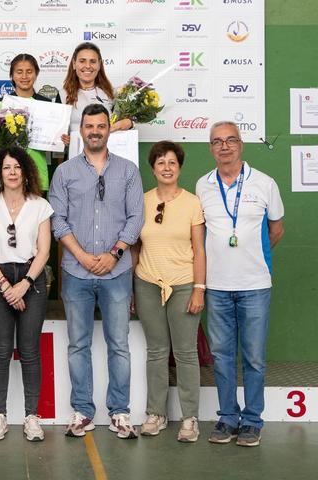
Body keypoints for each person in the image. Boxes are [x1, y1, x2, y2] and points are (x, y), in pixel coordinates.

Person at [49, 103, 144, 439]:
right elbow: (57, 219)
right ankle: (83, 412)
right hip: (77, 272)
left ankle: (120, 412)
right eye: (88, 126)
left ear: (108, 129)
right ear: (81, 131)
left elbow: (136, 217)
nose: (94, 131)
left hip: (117, 273)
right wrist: (83, 255)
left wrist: (115, 253)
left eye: (100, 125)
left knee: (119, 344)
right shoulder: (65, 173)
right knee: (78, 345)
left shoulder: (129, 170)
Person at [196, 121, 284, 447]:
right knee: (221, 356)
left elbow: (276, 229)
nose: (224, 146)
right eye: (217, 141)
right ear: (210, 148)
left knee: (255, 357)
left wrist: (249, 255)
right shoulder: (202, 185)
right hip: (216, 286)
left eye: (230, 140)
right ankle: (227, 418)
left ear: (241, 144)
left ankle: (252, 421)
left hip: (255, 284)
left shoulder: (264, 183)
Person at [0, 146, 53, 442]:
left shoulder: (40, 205)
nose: (12, 172)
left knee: (30, 350)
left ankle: (31, 417)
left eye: (17, 167)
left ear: (26, 172)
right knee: (1, 350)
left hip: (32, 279)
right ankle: (0, 416)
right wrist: (6, 287)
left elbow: (44, 250)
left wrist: (25, 283)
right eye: (7, 167)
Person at [131, 141, 206, 442]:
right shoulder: (142, 201)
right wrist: (132, 290)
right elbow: (136, 245)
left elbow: (199, 249)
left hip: (184, 283)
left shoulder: (192, 203)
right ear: (153, 168)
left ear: (179, 168)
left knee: (186, 353)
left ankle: (190, 419)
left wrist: (199, 288)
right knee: (157, 351)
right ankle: (156, 414)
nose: (166, 167)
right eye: (160, 162)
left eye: (172, 162)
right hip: (147, 283)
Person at [6, 53, 61, 193]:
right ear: (12, 75)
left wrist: (60, 140)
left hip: (37, 174)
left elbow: (53, 144)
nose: (24, 76)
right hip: (8, 175)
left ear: (36, 74)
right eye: (19, 72)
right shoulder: (1, 104)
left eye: (29, 71)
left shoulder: (48, 105)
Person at [60, 42, 132, 147]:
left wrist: (130, 123)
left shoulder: (111, 93)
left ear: (99, 65)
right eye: (82, 61)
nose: (88, 66)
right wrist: (63, 140)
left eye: (93, 61)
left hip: (108, 156)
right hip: (76, 157)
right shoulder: (63, 95)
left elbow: (125, 124)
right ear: (74, 64)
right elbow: (58, 134)